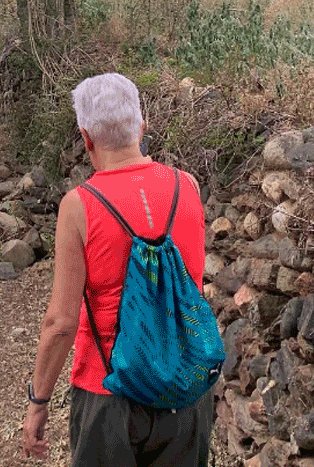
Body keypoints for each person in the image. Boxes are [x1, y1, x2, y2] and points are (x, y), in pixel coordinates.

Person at [21, 73, 212, 467]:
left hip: (108, 394)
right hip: (185, 388)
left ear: (85, 137)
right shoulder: (187, 187)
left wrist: (38, 401)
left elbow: (60, 322)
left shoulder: (80, 205)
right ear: (142, 127)